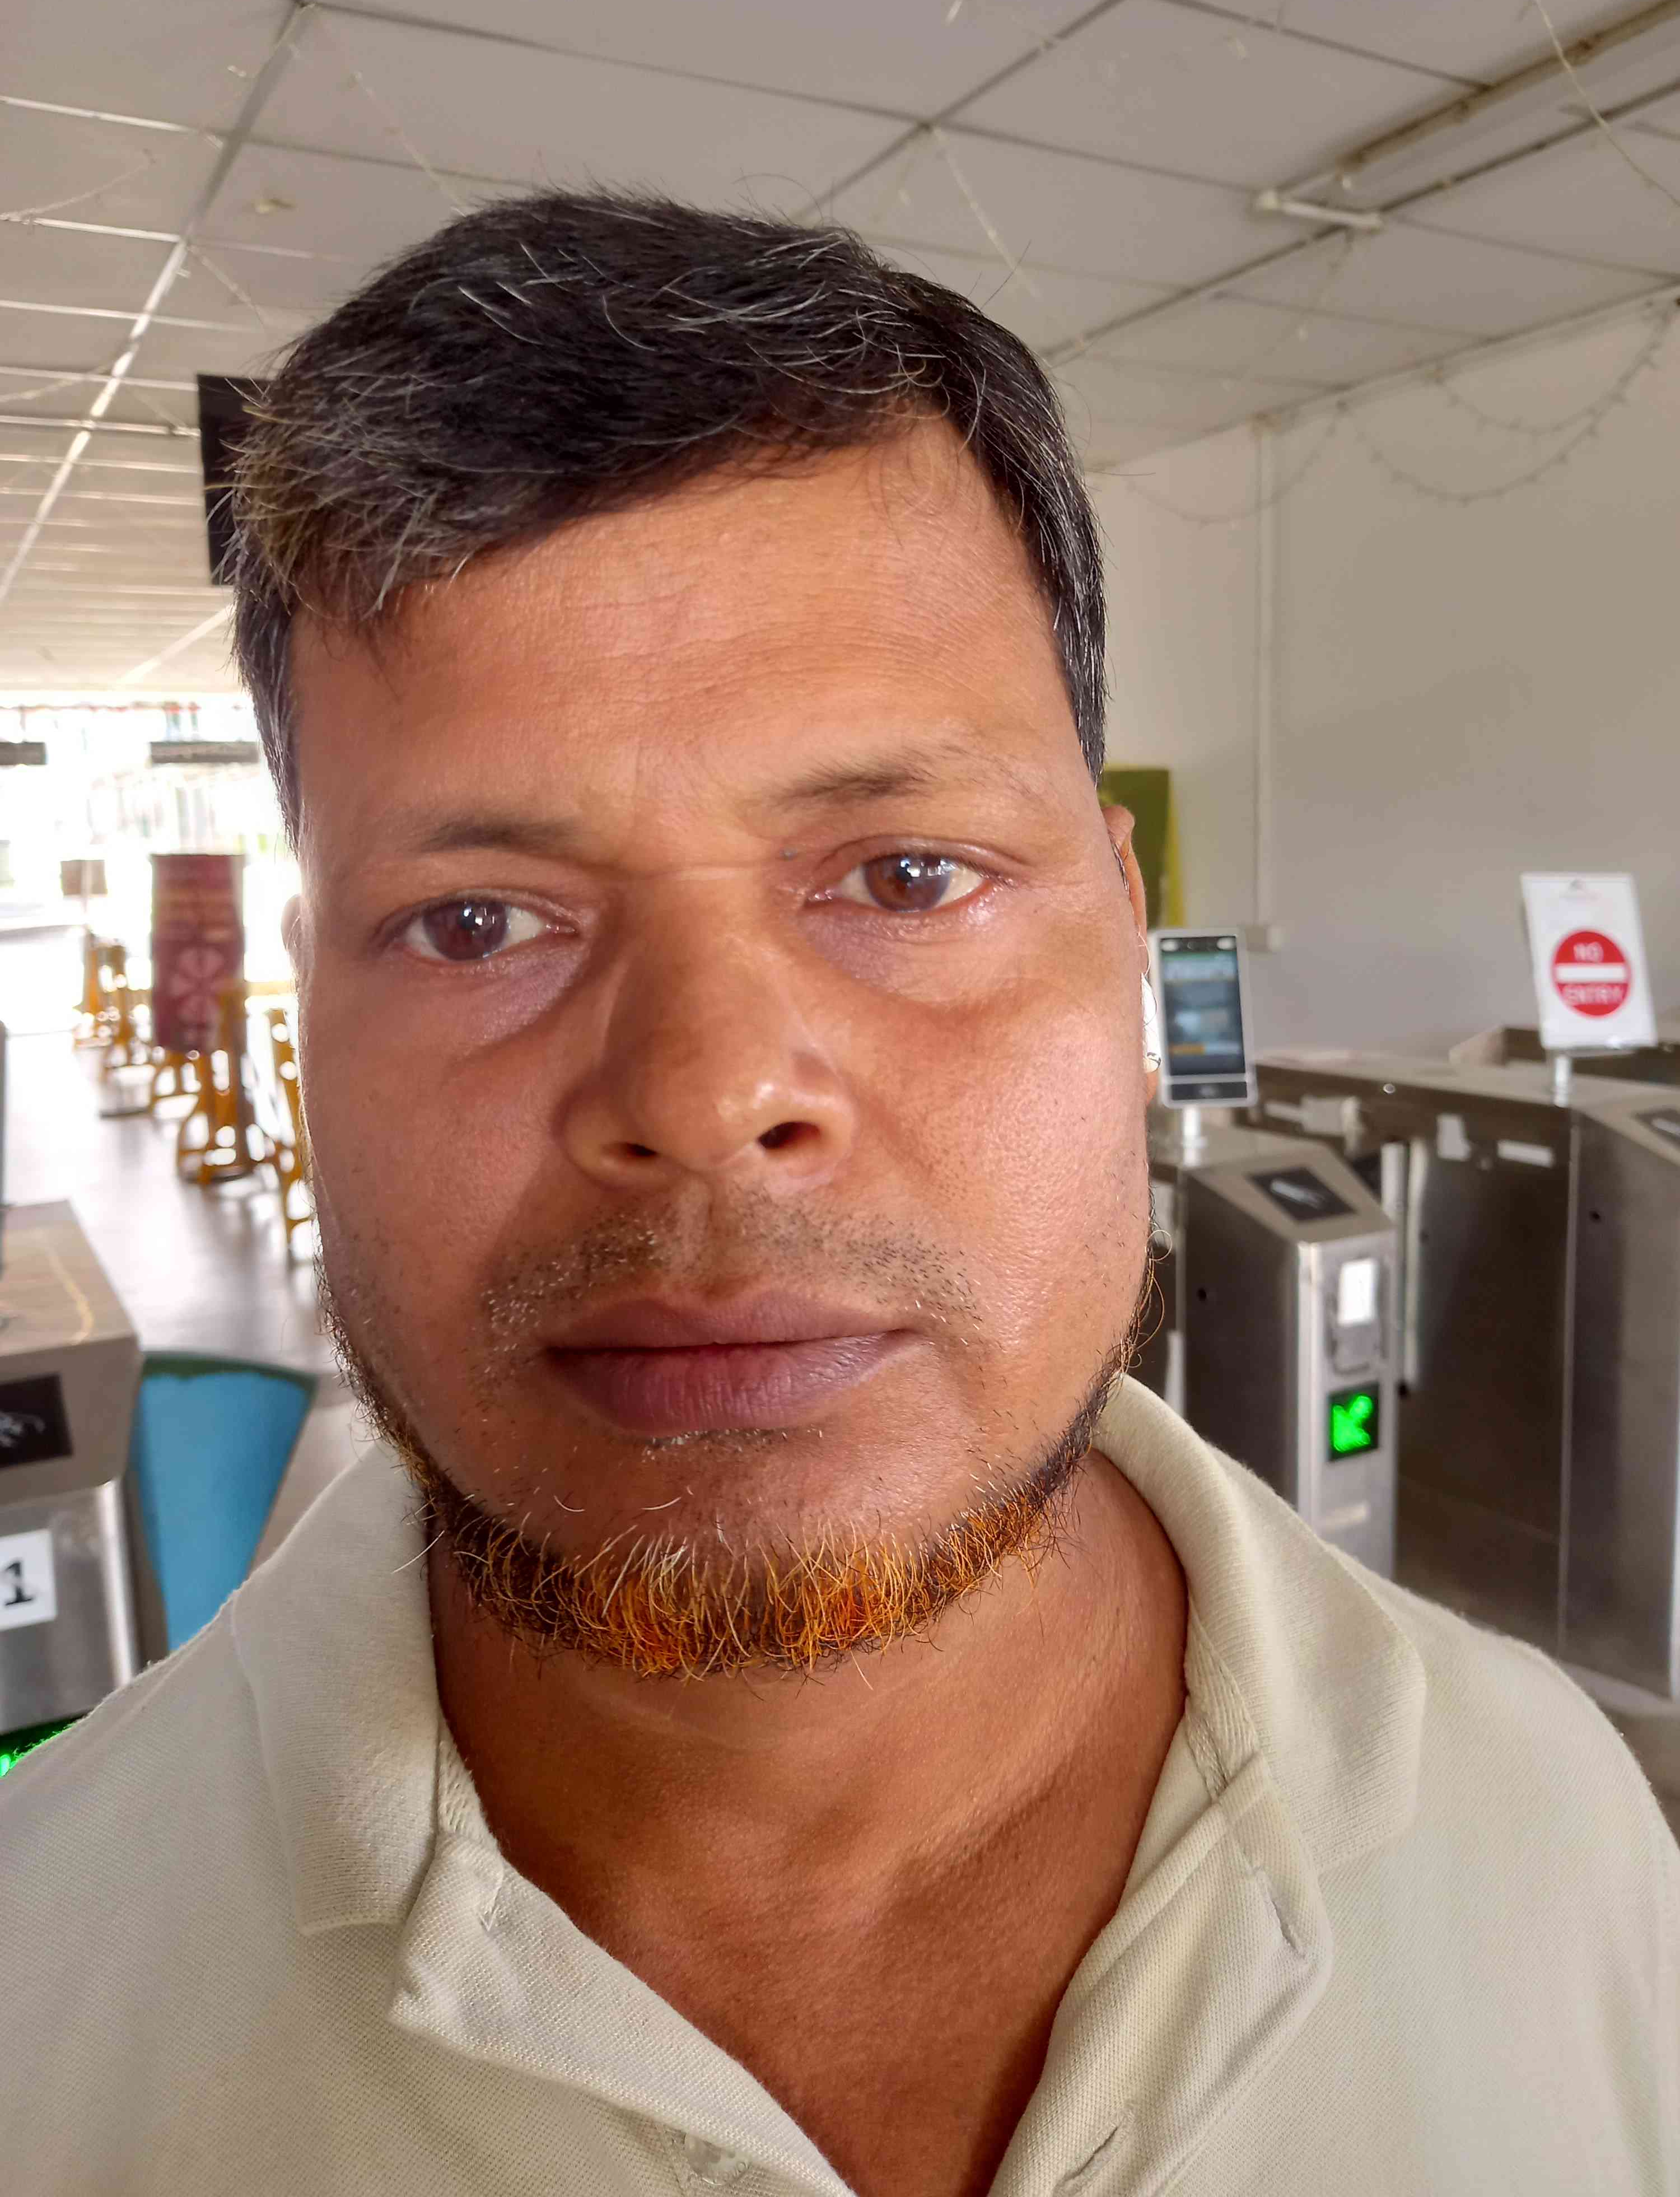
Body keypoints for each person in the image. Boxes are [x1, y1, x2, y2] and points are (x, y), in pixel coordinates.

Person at [3, 192, 1674, 2197]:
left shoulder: (1561, 1840)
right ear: (308, 1020)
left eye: (905, 875)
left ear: (1129, 939)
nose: (708, 1101)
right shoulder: (49, 2003)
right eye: (477, 920)